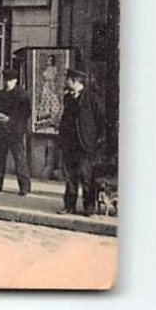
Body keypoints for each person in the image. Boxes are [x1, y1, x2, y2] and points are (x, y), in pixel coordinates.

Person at [58, 67, 101, 216]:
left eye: (67, 79)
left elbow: (100, 121)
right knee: (70, 177)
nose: (65, 82)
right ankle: (69, 206)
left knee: (86, 176)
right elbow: (65, 120)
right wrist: (62, 139)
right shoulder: (68, 98)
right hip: (69, 144)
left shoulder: (92, 98)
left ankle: (89, 208)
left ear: (75, 82)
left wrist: (96, 142)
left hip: (85, 145)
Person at [0, 66, 31, 196]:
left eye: (10, 80)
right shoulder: (1, 94)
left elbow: (26, 113)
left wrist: (10, 119)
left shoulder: (22, 94)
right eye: (6, 80)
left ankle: (24, 187)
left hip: (16, 130)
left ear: (16, 81)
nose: (7, 82)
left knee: (19, 158)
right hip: (2, 130)